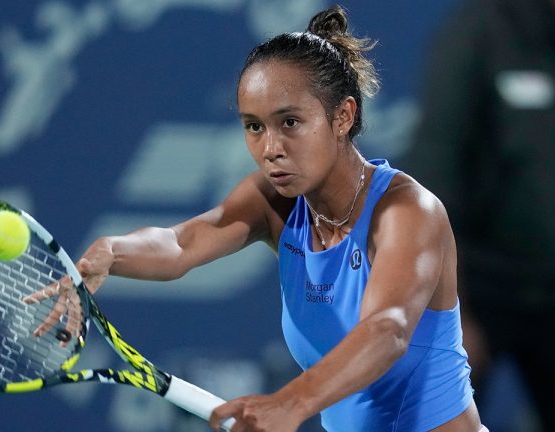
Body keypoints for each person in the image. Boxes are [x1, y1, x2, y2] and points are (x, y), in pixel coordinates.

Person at [29, 5, 483, 431]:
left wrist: (290, 402)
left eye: (290, 122)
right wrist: (111, 251)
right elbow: (181, 244)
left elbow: (388, 330)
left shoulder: (407, 211)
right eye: (254, 126)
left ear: (343, 116)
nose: (270, 148)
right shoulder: (273, 201)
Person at [404, 0, 555, 429]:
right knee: (429, 415)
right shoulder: (480, 32)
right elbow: (432, 176)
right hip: (476, 287)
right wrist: (448, 310)